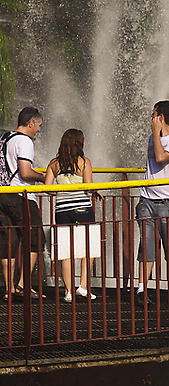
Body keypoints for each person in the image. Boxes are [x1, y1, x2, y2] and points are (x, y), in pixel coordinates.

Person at [136, 100, 169, 300]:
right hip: (147, 199)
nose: (151, 118)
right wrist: (156, 134)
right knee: (146, 246)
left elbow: (160, 158)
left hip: (168, 201)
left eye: (154, 114)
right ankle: (142, 288)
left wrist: (156, 134)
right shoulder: (153, 136)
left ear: (161, 117)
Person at [45, 129, 99, 301]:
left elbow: (47, 189)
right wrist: (95, 190)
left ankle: (68, 291)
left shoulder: (54, 164)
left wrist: (63, 194)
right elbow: (88, 186)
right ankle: (82, 286)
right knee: (89, 247)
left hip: (62, 209)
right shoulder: (84, 162)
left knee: (65, 251)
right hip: (82, 208)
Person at [0, 107, 46, 297]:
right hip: (21, 196)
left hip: (2, 194)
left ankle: (9, 288)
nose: (39, 130)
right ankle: (23, 285)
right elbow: (25, 172)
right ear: (31, 123)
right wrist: (42, 178)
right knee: (36, 239)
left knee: (8, 240)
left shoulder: (4, 139)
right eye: (39, 126)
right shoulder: (25, 141)